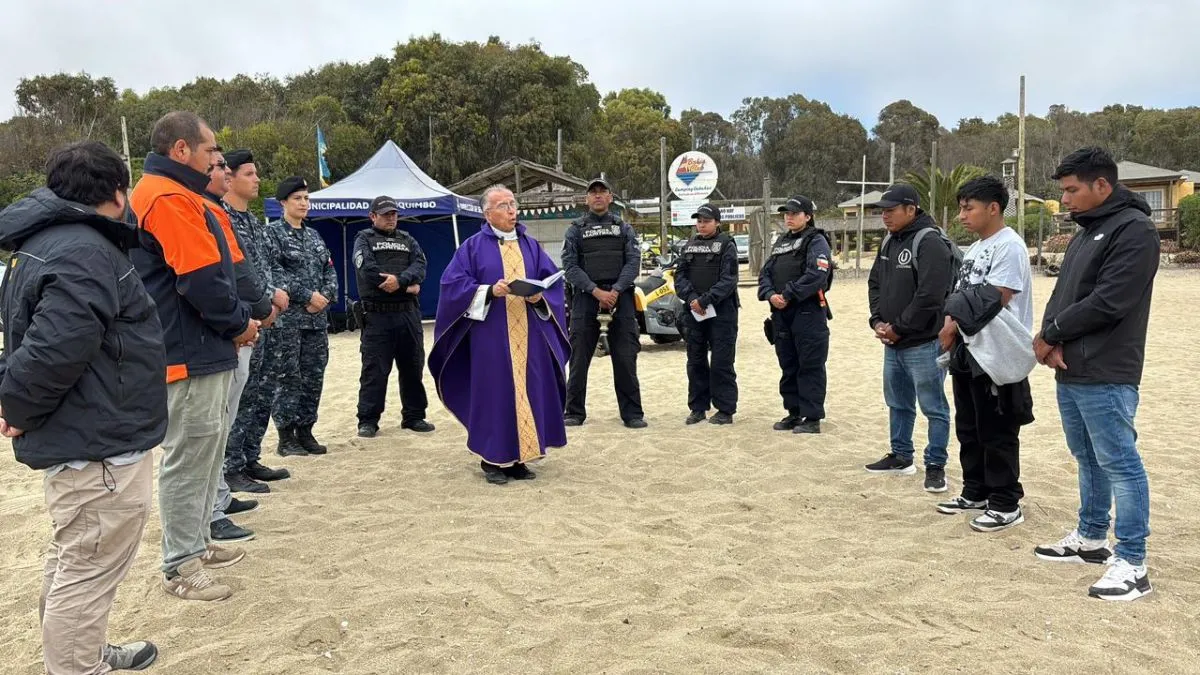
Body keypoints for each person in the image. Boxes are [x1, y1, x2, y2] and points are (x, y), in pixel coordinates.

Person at [0, 141, 164, 673]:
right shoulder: (86, 252)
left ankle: (82, 652)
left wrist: (15, 403)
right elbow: (54, 349)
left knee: (76, 556)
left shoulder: (47, 244)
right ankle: (76, 665)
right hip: (100, 447)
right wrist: (16, 406)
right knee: (87, 567)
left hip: (87, 435)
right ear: (119, 192)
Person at [130, 111, 258, 601]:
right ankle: (181, 564)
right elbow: (202, 279)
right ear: (181, 151)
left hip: (201, 343)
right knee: (189, 456)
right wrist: (239, 323)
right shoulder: (166, 196)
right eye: (210, 152)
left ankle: (197, 541)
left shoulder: (178, 194)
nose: (215, 162)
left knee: (205, 452)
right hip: (188, 347)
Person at [1032, 147, 1159, 601]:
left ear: (1101, 185)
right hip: (1072, 365)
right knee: (1087, 457)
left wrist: (1053, 333)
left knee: (1121, 463)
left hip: (1108, 366)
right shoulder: (1088, 230)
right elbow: (1064, 293)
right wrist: (1047, 335)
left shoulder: (1135, 230)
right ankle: (1090, 538)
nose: (1064, 199)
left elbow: (1111, 300)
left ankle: (1133, 562)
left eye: (1071, 189)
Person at [428, 185, 569, 485]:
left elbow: (551, 282)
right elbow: (452, 286)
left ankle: (519, 458)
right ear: (487, 213)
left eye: (513, 204)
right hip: (490, 335)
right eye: (503, 205)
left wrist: (538, 296)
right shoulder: (472, 247)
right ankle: (491, 459)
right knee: (494, 393)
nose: (511, 210)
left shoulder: (531, 245)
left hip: (529, 334)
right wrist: (489, 290)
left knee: (528, 389)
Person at [935, 176, 1034, 532]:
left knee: (997, 428)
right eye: (961, 207)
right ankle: (975, 490)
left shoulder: (1009, 246)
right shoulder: (976, 247)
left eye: (968, 207)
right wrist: (951, 320)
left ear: (994, 207)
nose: (962, 215)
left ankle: (1006, 502)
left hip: (997, 352)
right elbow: (962, 294)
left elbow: (997, 296)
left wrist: (952, 315)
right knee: (969, 427)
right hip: (968, 347)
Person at [199, 150, 276, 544]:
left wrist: (264, 306)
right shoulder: (203, 212)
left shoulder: (220, 213)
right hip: (227, 329)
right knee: (212, 427)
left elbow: (253, 268)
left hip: (244, 324)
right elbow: (223, 277)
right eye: (219, 169)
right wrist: (259, 309)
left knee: (224, 420)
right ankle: (210, 510)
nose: (225, 176)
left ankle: (220, 497)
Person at [864, 184, 954, 492]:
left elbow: (930, 295)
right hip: (892, 341)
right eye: (883, 211)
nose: (885, 216)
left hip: (924, 342)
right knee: (898, 403)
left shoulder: (929, 242)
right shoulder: (889, 240)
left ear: (911, 209)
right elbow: (875, 283)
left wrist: (899, 327)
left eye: (891, 210)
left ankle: (936, 464)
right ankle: (901, 455)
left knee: (934, 407)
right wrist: (877, 320)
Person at [220, 149, 291, 494]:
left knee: (262, 391)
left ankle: (249, 457)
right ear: (229, 178)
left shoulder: (254, 221)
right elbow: (234, 275)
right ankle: (230, 467)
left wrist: (275, 296)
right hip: (244, 320)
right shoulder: (222, 218)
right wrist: (264, 303)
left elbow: (266, 266)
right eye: (249, 173)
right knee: (241, 394)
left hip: (266, 317)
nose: (257, 179)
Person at [560, 177, 646, 429]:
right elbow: (570, 266)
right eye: (593, 192)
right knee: (578, 359)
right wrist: (596, 291)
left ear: (610, 197)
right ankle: (573, 411)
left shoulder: (624, 228)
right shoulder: (575, 229)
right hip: (586, 299)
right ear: (587, 199)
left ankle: (632, 414)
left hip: (621, 299)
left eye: (602, 192)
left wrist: (616, 290)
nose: (598, 196)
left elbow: (633, 262)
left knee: (626, 358)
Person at [352, 195, 435, 438]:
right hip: (377, 316)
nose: (391, 218)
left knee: (413, 366)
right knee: (374, 371)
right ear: (373, 216)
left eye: (394, 214)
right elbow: (367, 270)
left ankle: (414, 415)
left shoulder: (408, 239)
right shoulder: (364, 239)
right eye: (386, 214)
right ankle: (368, 420)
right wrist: (406, 285)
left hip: (407, 313)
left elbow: (420, 267)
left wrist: (399, 281)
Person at [267, 177, 338, 456]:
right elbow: (274, 271)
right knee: (289, 377)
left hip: (316, 321)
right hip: (289, 321)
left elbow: (329, 270)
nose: (304, 203)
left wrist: (325, 298)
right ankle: (286, 438)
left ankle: (306, 431)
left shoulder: (314, 236)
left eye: (307, 198)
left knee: (313, 376)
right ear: (283, 202)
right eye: (298, 198)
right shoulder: (272, 234)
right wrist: (307, 295)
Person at [758, 195, 832, 434]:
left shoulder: (816, 240)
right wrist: (770, 294)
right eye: (786, 214)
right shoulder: (781, 242)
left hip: (807, 311)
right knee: (788, 364)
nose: (788, 217)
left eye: (794, 213)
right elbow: (765, 274)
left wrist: (788, 294)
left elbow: (816, 275)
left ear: (807, 217)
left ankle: (811, 418)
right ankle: (793, 412)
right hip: (781, 314)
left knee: (809, 365)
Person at [674, 203, 740, 425]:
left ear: (717, 223)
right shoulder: (689, 245)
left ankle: (725, 410)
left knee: (722, 361)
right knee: (695, 360)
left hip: (721, 311)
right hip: (694, 311)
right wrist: (692, 299)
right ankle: (698, 408)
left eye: (706, 221)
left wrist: (705, 300)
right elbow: (679, 276)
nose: (702, 225)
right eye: (699, 221)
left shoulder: (726, 245)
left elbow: (729, 280)